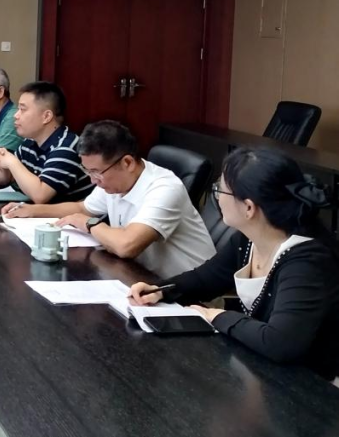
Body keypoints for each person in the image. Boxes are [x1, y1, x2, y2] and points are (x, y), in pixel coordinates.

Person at [130, 148, 339, 380]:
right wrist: (161, 290)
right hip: (265, 368)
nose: (217, 198)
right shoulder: (248, 239)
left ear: (249, 208)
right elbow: (206, 279)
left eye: (220, 190)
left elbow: (280, 342)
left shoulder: (307, 262)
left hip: (312, 384)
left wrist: (216, 316)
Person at [4, 120, 215, 277]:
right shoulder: (113, 181)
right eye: (88, 172)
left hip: (191, 295)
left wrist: (90, 224)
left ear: (127, 163)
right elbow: (83, 208)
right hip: (141, 278)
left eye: (97, 172)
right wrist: (32, 210)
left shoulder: (164, 188)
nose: (93, 180)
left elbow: (126, 245)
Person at [0, 81, 93, 203]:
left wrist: (12, 162)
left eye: (23, 109)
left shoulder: (66, 147)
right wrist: (0, 167)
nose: (16, 115)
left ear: (46, 116)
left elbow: (40, 196)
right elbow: (9, 179)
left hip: (71, 214)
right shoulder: (29, 142)